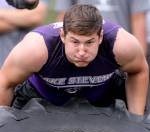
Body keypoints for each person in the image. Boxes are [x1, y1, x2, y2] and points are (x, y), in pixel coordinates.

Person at [0, 4, 148, 117]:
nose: (82, 52)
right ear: (63, 35)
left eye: (89, 42)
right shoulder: (37, 48)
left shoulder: (120, 44)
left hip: (102, 95)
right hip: (40, 97)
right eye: (75, 42)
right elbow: (5, 81)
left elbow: (139, 70)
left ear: (101, 37)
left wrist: (136, 120)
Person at [55, 0, 149, 55]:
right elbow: (63, 18)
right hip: (81, 49)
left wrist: (139, 58)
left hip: (120, 50)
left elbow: (138, 20)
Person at [0, 0, 48, 67]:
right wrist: (23, 20)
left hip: (28, 61)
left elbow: (36, 16)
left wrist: (1, 14)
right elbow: (31, 17)